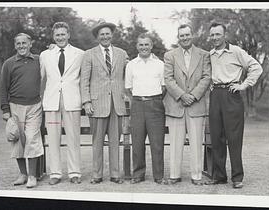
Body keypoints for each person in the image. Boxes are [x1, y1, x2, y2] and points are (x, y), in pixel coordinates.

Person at [205, 22, 263, 188]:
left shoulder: (236, 51)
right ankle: (219, 176)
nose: (215, 37)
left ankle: (237, 177)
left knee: (234, 138)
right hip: (215, 95)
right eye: (212, 35)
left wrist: (243, 85)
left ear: (225, 35)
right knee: (216, 137)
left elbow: (256, 68)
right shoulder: (210, 54)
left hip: (232, 94)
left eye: (218, 34)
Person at [80, 20, 129, 184]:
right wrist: (86, 102)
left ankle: (115, 175)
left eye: (108, 33)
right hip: (96, 105)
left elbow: (129, 75)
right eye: (102, 34)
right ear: (97, 37)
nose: (105, 36)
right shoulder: (89, 54)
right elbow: (84, 81)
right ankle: (97, 175)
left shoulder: (122, 54)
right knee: (97, 142)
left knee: (115, 142)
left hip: (117, 105)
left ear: (112, 35)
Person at [163, 24, 211, 185]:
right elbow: (168, 79)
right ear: (178, 37)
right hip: (176, 105)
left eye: (187, 35)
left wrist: (194, 96)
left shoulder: (204, 55)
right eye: (181, 35)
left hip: (196, 106)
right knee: (176, 142)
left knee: (197, 142)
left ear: (192, 35)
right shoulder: (170, 55)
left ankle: (196, 176)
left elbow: (206, 77)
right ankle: (174, 175)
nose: (185, 38)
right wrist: (182, 95)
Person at [40, 22, 84, 185]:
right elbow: (41, 78)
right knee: (53, 138)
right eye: (57, 35)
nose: (60, 37)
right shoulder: (45, 55)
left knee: (73, 138)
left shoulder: (80, 54)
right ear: (53, 37)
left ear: (68, 35)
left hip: (72, 101)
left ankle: (74, 172)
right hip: (52, 102)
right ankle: (55, 174)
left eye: (63, 34)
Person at [0, 33, 43, 188]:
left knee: (32, 138)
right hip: (15, 106)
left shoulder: (39, 60)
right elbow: (3, 88)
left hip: (35, 106)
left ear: (30, 44)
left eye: (24, 43)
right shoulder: (8, 64)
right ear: (15, 46)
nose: (21, 46)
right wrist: (5, 110)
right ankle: (23, 174)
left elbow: (52, 60)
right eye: (18, 44)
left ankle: (32, 176)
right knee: (17, 140)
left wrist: (52, 48)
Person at [125, 33, 167, 185]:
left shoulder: (160, 64)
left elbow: (164, 87)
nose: (144, 47)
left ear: (151, 46)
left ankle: (158, 175)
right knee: (137, 142)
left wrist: (152, 100)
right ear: (137, 46)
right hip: (137, 104)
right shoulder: (131, 65)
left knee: (157, 142)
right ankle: (138, 174)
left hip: (155, 104)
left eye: (146, 44)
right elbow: (128, 88)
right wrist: (140, 99)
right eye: (141, 44)